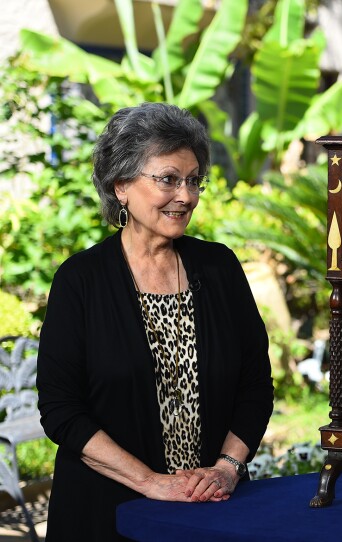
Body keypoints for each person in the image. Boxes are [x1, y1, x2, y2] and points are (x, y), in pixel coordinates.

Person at [37, 102, 275, 540]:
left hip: (214, 510)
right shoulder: (79, 281)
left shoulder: (220, 267)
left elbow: (255, 385)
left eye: (193, 181)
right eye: (168, 179)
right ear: (121, 185)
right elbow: (62, 411)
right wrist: (151, 482)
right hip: (107, 514)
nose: (185, 196)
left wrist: (226, 469)